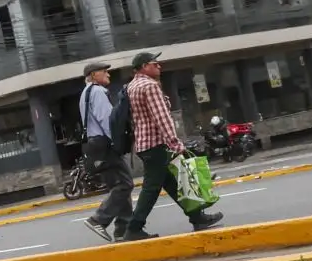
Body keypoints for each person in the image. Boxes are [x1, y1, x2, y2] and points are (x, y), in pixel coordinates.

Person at [120, 51, 223, 241]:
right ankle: (134, 228)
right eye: (155, 64)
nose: (159, 66)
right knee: (151, 188)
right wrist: (175, 143)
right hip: (155, 144)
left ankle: (197, 217)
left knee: (172, 184)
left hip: (144, 143)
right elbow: (162, 118)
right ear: (144, 67)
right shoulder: (149, 86)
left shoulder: (133, 85)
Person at [76, 61, 133, 242]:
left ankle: (123, 229)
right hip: (105, 143)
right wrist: (118, 142)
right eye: (104, 72)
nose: (108, 74)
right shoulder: (98, 92)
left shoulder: (85, 93)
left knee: (118, 185)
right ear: (93, 75)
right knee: (125, 184)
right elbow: (107, 120)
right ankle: (98, 219)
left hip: (95, 145)